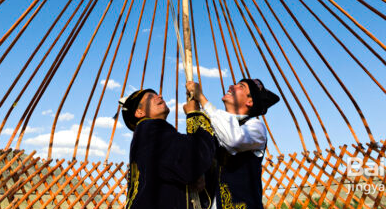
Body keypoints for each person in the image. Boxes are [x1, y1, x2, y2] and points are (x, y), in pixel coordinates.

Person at [186, 79, 280, 209]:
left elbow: (233, 140)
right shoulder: (216, 126)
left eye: (241, 86)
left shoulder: (256, 127)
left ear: (250, 101)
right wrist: (193, 112)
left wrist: (202, 98)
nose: (231, 86)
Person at [119, 88, 217, 209]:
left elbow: (179, 169)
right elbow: (192, 161)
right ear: (139, 112)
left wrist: (195, 178)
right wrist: (194, 114)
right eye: (151, 96)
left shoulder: (144, 135)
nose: (160, 96)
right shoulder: (151, 129)